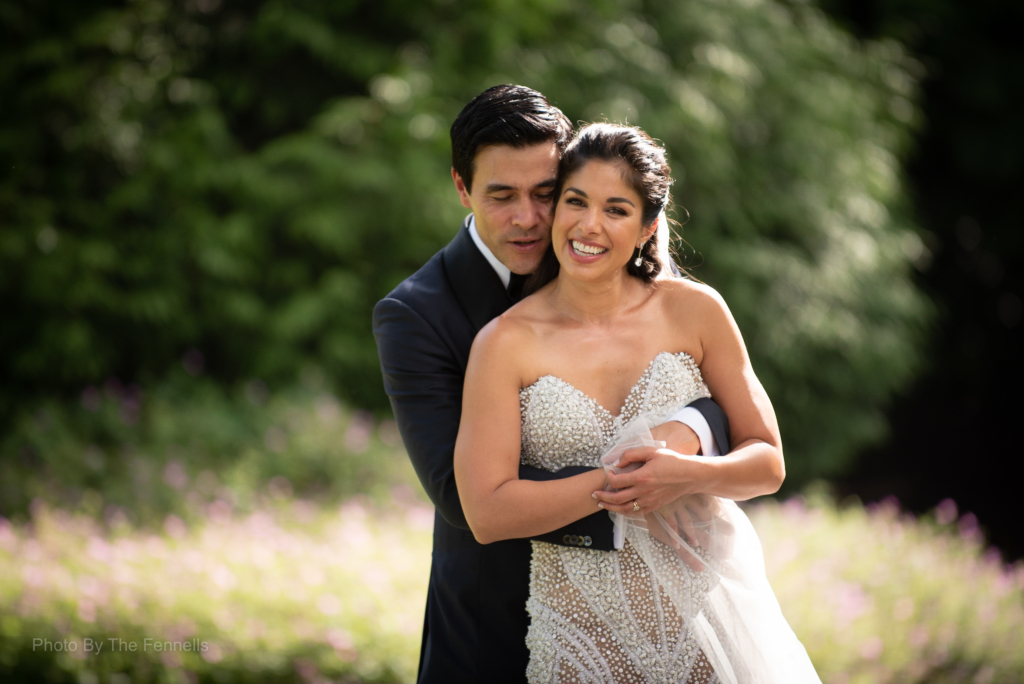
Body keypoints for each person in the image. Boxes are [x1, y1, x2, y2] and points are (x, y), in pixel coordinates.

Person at [373, 86, 732, 683]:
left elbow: (709, 392)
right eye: (501, 196)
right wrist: (638, 485)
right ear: (462, 188)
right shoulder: (417, 314)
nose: (530, 219)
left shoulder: (610, 254)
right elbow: (463, 499)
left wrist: (691, 431)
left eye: (546, 194)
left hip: (659, 615)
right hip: (495, 625)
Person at [453, 123, 821, 682]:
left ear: (648, 226)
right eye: (575, 201)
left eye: (616, 209)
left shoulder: (696, 311)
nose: (589, 225)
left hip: (709, 625)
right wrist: (623, 483)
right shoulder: (504, 343)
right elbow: (487, 513)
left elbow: (767, 463)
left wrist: (690, 474)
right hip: (580, 642)